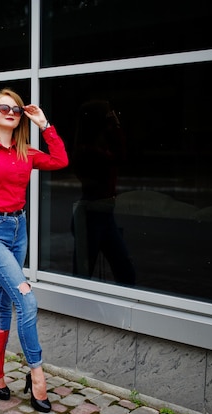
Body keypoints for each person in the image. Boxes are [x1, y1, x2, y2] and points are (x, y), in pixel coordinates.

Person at [0, 88, 68, 413]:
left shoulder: (26, 152)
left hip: (18, 230)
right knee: (26, 299)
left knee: (6, 302)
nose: (11, 112)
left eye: (17, 109)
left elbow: (61, 160)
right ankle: (37, 375)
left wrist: (44, 123)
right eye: (4, 107)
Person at [71, 99, 136, 285]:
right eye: (107, 115)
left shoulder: (99, 146)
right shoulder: (87, 151)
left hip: (105, 214)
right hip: (91, 215)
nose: (111, 117)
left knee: (125, 271)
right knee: (83, 274)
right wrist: (115, 125)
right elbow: (121, 157)